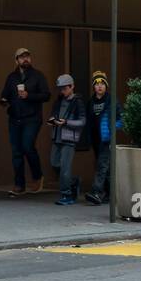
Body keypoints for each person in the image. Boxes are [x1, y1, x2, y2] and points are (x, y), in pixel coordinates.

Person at [0, 46, 50, 197]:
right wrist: (4, 101)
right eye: (22, 57)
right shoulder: (11, 77)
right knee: (16, 152)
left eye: (27, 56)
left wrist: (29, 95)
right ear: (16, 60)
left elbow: (46, 95)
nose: (25, 59)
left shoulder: (38, 76)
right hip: (14, 118)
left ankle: (37, 176)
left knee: (27, 146)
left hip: (32, 118)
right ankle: (19, 185)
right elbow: (5, 94)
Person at [46, 74, 87, 206]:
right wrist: (53, 120)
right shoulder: (59, 100)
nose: (62, 91)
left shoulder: (78, 102)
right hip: (57, 136)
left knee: (65, 167)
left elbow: (82, 121)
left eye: (64, 88)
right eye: (61, 89)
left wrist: (66, 122)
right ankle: (73, 181)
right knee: (54, 163)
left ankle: (67, 194)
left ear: (72, 87)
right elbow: (54, 114)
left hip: (69, 138)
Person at [84, 71, 122, 205]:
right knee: (106, 167)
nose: (99, 86)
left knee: (102, 165)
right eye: (97, 84)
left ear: (106, 86)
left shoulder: (111, 100)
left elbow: (120, 119)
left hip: (107, 139)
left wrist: (112, 129)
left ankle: (96, 192)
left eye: (102, 84)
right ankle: (111, 194)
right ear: (94, 87)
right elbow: (88, 121)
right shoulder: (91, 102)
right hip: (96, 139)